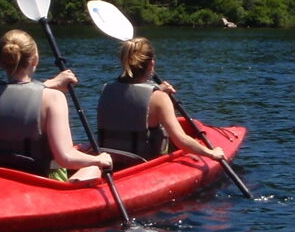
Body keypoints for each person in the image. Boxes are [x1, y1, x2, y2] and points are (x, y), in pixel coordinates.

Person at [0, 29, 113, 181]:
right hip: (42, 182)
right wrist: (99, 159)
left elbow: (15, 95)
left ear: (0, 61)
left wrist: (48, 84)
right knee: (94, 168)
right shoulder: (53, 99)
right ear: (35, 60)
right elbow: (65, 158)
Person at [95, 37, 228, 165]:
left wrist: (158, 90)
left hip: (110, 160)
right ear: (151, 64)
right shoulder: (159, 98)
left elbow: (131, 105)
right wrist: (211, 153)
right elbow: (181, 141)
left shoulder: (106, 89)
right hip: (142, 163)